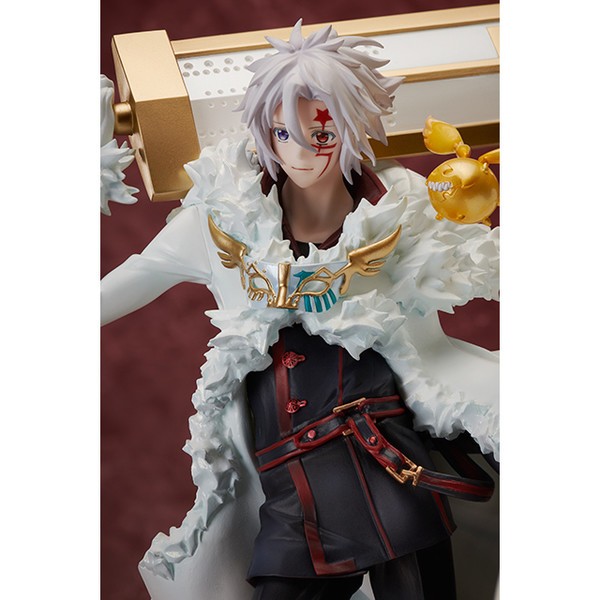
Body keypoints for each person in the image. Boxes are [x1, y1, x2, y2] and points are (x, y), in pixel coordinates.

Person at [101, 20, 499, 600]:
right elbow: (128, 282)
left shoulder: (403, 209)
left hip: (387, 454)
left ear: (354, 127)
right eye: (283, 132)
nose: (301, 151)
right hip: (288, 470)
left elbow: (489, 268)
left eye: (322, 133)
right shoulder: (223, 217)